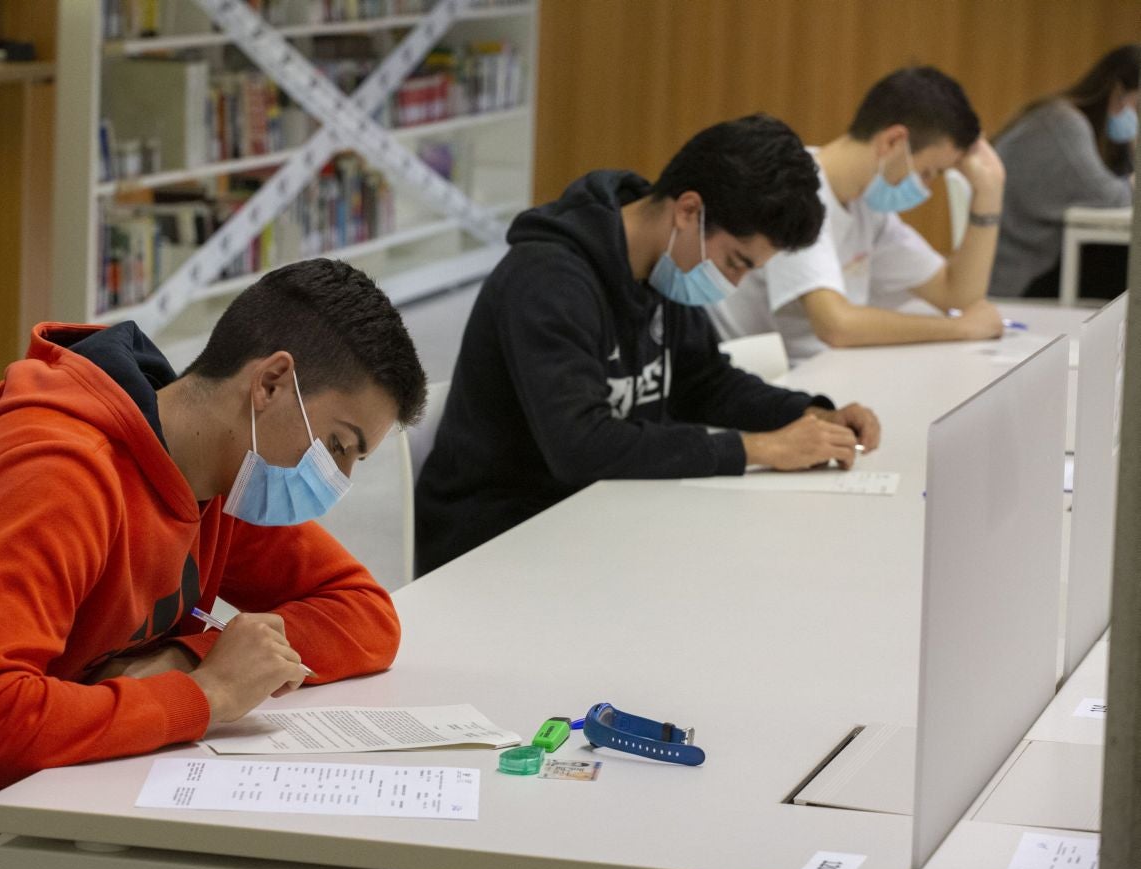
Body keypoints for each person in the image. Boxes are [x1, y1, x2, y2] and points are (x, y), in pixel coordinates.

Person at [0, 258, 427, 869]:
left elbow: (365, 613)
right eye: (336, 446)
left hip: (38, 801)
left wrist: (186, 657)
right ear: (271, 384)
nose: (333, 479)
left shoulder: (221, 477)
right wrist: (206, 697)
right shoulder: (55, 476)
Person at [414, 115, 881, 576]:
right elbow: (581, 445)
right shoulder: (547, 279)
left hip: (599, 516)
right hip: (495, 543)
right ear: (688, 211)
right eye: (736, 262)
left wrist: (806, 414)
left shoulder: (665, 270)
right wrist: (758, 449)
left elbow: (704, 381)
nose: (734, 282)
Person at [709, 67, 1007, 365]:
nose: (926, 187)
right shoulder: (797, 190)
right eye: (928, 172)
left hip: (816, 376)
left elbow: (955, 293)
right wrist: (959, 329)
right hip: (759, 385)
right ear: (893, 142)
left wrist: (990, 191)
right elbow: (837, 325)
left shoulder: (867, 207)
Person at [991, 44, 1139, 300]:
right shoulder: (1063, 125)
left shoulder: (1069, 122)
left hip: (1033, 261)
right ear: (1117, 92)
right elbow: (1111, 198)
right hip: (1019, 275)